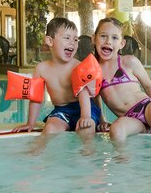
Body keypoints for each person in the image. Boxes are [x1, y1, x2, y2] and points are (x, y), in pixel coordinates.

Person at [92, 17, 151, 143]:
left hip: (147, 107)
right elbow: (95, 97)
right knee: (116, 130)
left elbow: (149, 86)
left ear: (122, 44)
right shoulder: (93, 71)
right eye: (103, 36)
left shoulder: (129, 61)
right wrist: (101, 120)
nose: (108, 42)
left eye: (115, 38)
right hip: (129, 119)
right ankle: (122, 161)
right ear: (94, 39)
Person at [12, 17, 101, 146]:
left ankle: (86, 160)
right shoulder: (41, 68)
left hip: (84, 108)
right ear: (49, 40)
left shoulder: (77, 66)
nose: (73, 43)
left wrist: (86, 116)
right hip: (61, 110)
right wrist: (30, 123)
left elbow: (84, 94)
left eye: (76, 39)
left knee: (86, 131)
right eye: (67, 38)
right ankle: (38, 158)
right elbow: (36, 98)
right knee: (50, 130)